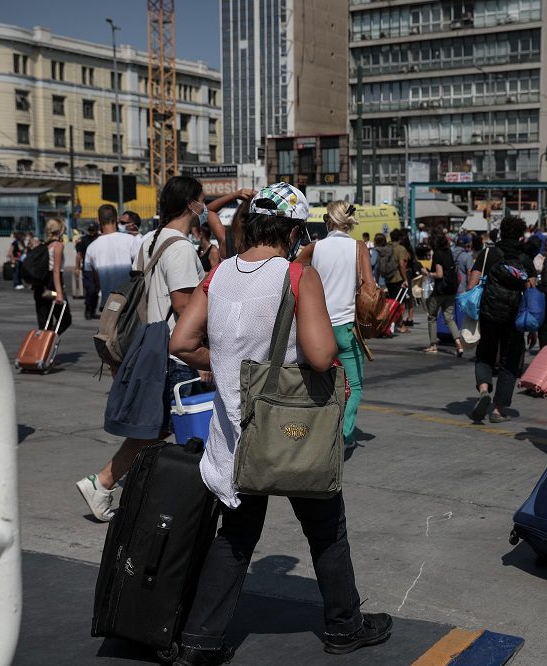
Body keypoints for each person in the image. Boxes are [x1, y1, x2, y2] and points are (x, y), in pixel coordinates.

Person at [168, 183, 392, 663]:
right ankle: (343, 627)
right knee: (326, 527)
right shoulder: (296, 275)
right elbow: (320, 354)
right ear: (294, 231)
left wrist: (224, 360)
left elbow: (182, 342)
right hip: (291, 430)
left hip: (235, 432)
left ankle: (200, 642)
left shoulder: (220, 273)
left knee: (236, 535)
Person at [76, 176, 206, 522]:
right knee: (189, 431)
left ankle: (103, 483)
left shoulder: (150, 240)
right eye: (202, 200)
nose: (204, 207)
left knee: (156, 429)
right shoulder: (179, 248)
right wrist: (203, 349)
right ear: (191, 204)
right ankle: (172, 504)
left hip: (151, 345)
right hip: (176, 351)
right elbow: (183, 305)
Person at [295, 200, 374, 449]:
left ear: (329, 219)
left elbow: (290, 271)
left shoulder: (314, 247)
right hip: (346, 327)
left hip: (316, 327)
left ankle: (312, 432)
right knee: (355, 385)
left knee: (317, 384)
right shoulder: (358, 247)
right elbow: (370, 287)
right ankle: (343, 435)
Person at [467, 216, 537, 423]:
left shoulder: (488, 253)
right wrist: (532, 328)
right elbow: (531, 293)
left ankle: (483, 390)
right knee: (510, 361)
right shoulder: (525, 259)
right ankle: (498, 410)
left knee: (484, 354)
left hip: (489, 314)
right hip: (514, 318)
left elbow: (471, 284)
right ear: (520, 235)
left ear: (501, 232)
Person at [84, 205, 139, 317]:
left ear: (99, 221)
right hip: (129, 302)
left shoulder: (91, 248)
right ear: (116, 219)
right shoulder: (130, 241)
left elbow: (92, 280)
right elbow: (140, 270)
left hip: (107, 303)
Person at [422, 233, 465, 356]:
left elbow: (439, 274)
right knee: (449, 318)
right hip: (451, 290)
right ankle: (458, 343)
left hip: (439, 290)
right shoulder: (449, 252)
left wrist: (427, 273)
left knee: (432, 317)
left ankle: (433, 345)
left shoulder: (437, 254)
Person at [33, 218, 72, 337]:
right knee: (65, 320)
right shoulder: (58, 245)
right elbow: (56, 270)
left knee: (44, 323)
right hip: (52, 285)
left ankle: (42, 349)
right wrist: (59, 292)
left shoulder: (43, 245)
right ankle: (49, 341)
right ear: (60, 230)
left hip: (40, 285)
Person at [383, 229, 410, 330]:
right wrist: (405, 279)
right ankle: (399, 325)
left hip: (388, 278)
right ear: (400, 238)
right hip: (398, 278)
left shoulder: (387, 247)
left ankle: (391, 323)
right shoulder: (400, 249)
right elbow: (402, 264)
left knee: (391, 302)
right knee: (400, 303)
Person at [74, 222, 100, 319]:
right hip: (87, 269)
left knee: (96, 291)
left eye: (93, 230)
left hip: (98, 268)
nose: (91, 232)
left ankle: (93, 311)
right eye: (90, 230)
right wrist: (77, 267)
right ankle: (88, 310)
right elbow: (79, 255)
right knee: (90, 290)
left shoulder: (100, 239)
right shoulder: (84, 240)